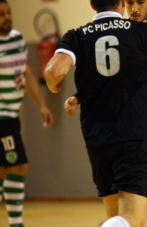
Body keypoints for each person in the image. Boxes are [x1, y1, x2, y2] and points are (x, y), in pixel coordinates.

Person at [44, 0, 147, 226]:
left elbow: (55, 71)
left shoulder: (77, 35)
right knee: (132, 218)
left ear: (92, 4)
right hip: (132, 136)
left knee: (115, 213)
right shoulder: (141, 32)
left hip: (96, 137)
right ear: (122, 3)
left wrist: (54, 86)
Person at [0, 1, 54, 226]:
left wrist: (42, 105)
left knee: (7, 169)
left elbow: (27, 74)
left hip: (12, 115)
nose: (6, 17)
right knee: (17, 165)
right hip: (2, 117)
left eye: (8, 12)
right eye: (1, 14)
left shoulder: (17, 39)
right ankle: (16, 223)